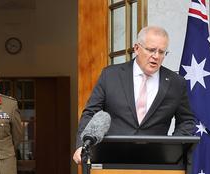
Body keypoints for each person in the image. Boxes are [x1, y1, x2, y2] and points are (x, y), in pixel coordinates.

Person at [73, 26, 195, 164]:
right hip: (111, 159)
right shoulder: (111, 75)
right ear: (137, 48)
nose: (156, 56)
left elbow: (186, 121)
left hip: (156, 163)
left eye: (162, 52)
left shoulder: (176, 83)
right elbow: (91, 112)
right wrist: (82, 145)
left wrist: (173, 149)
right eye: (151, 50)